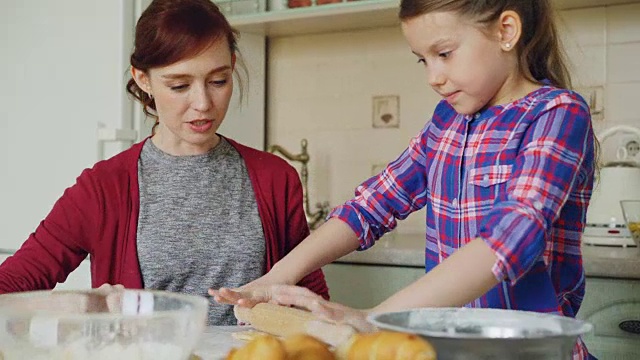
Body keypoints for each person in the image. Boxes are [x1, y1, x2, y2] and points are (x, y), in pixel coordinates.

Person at [211, 0, 596, 358]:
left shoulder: (556, 114)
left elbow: (509, 239)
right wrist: (277, 276)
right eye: (422, 60)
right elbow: (372, 206)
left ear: (506, 31)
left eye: (444, 54)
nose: (433, 76)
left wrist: (375, 319)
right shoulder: (447, 122)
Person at [0, 0, 329, 326]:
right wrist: (77, 307)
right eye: (179, 85)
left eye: (218, 81)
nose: (202, 103)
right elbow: (10, 287)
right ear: (143, 79)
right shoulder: (103, 188)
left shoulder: (275, 178)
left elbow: (311, 300)